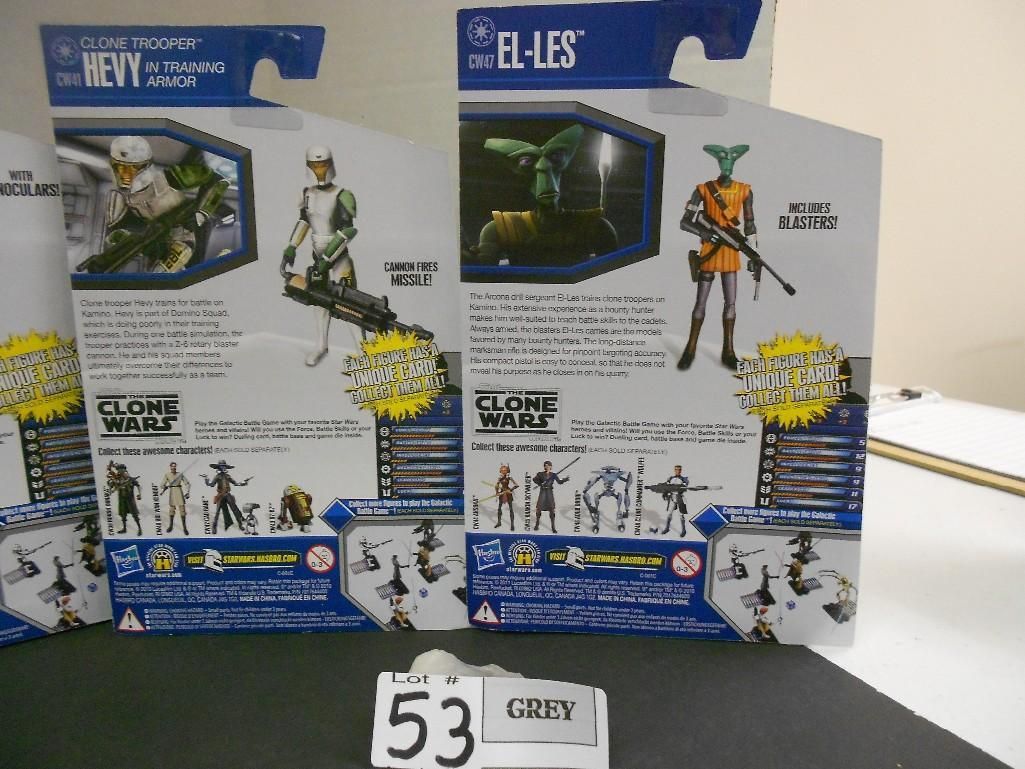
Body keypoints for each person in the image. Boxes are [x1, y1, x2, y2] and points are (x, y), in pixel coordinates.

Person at [678, 144, 757, 369]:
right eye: (724, 163)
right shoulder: (704, 189)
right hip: (709, 252)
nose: (727, 168)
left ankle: (728, 351)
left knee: (731, 303)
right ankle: (690, 349)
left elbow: (750, 225)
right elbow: (685, 222)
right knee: (700, 303)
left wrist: (753, 254)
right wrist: (704, 233)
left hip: (731, 251)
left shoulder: (744, 191)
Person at [281, 146, 359, 366]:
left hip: (338, 256)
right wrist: (292, 246)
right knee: (318, 300)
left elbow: (348, 230)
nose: (319, 170)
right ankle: (321, 344)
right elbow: (304, 220)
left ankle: (363, 350)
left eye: (323, 164)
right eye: (315, 165)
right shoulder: (307, 193)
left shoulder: (342, 195)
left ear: (331, 165)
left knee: (350, 302)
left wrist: (327, 259)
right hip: (317, 255)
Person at [532, 461, 569, 533]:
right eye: (545, 465)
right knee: (539, 508)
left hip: (549, 493)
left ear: (551, 466)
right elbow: (534, 479)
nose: (547, 467)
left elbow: (559, 482)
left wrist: (565, 479)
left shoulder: (553, 475)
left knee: (552, 510)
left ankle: (553, 527)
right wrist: (540, 483)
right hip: (543, 492)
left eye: (548, 465)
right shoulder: (540, 474)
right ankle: (537, 524)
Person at [160, 462, 191, 535]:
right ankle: (171, 526)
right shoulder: (167, 474)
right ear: (170, 467)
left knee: (182, 510)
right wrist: (164, 487)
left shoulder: (180, 474)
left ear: (176, 467)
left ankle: (184, 528)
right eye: (172, 466)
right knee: (171, 510)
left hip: (179, 491)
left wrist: (187, 492)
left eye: (174, 466)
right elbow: (162, 484)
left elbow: (187, 483)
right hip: (172, 492)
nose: (173, 468)